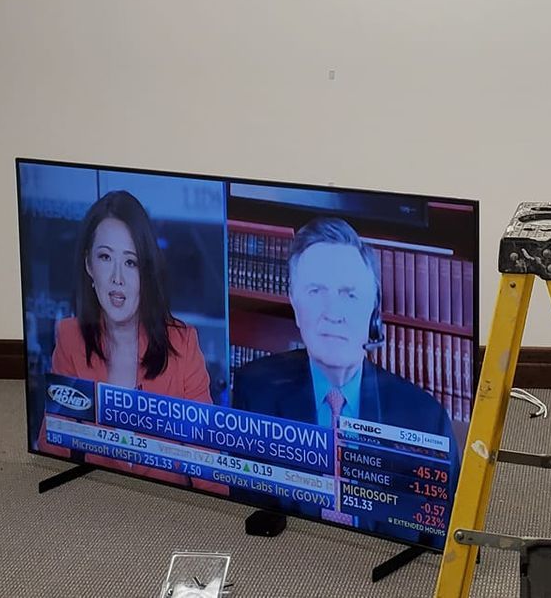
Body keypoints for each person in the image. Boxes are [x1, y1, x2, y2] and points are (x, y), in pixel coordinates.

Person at [232, 218, 455, 529]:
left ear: (373, 310)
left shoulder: (425, 418)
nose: (333, 313)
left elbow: (441, 529)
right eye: (315, 291)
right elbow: (247, 506)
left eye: (349, 294)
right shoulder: (254, 391)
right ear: (295, 304)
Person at [37, 190, 217, 489]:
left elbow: (207, 468)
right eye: (106, 257)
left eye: (131, 262)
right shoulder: (70, 338)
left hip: (171, 510)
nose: (117, 277)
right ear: (89, 266)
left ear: (146, 271)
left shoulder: (183, 345)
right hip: (103, 500)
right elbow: (53, 448)